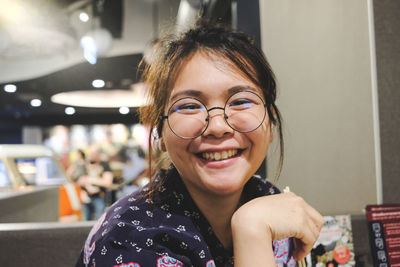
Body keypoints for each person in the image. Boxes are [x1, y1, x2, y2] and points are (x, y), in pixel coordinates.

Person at [76, 21, 324, 267]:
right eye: (189, 106)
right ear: (160, 133)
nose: (217, 127)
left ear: (269, 121)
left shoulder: (269, 201)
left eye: (240, 101)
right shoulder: (127, 241)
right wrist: (252, 233)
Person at [77, 145, 114, 221]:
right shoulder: (84, 164)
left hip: (99, 197)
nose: (90, 155)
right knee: (85, 222)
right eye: (90, 153)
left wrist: (91, 180)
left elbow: (108, 182)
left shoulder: (104, 165)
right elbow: (79, 180)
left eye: (93, 153)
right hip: (86, 198)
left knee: (99, 221)